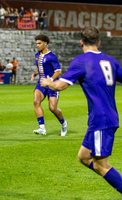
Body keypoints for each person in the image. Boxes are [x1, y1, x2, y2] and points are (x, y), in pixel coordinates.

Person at [40, 26, 122, 195]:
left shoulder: (81, 61)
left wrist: (49, 83)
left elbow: (60, 85)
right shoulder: (112, 61)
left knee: (101, 166)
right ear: (99, 42)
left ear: (81, 42)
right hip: (101, 119)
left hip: (102, 120)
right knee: (84, 157)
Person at [31, 34, 67, 136]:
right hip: (41, 83)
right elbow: (41, 66)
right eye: (36, 43)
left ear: (45, 43)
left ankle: (64, 123)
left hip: (52, 84)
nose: (37, 45)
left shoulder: (52, 56)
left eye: (39, 43)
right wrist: (35, 73)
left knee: (52, 108)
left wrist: (50, 80)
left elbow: (58, 71)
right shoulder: (37, 55)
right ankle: (42, 128)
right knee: (36, 101)